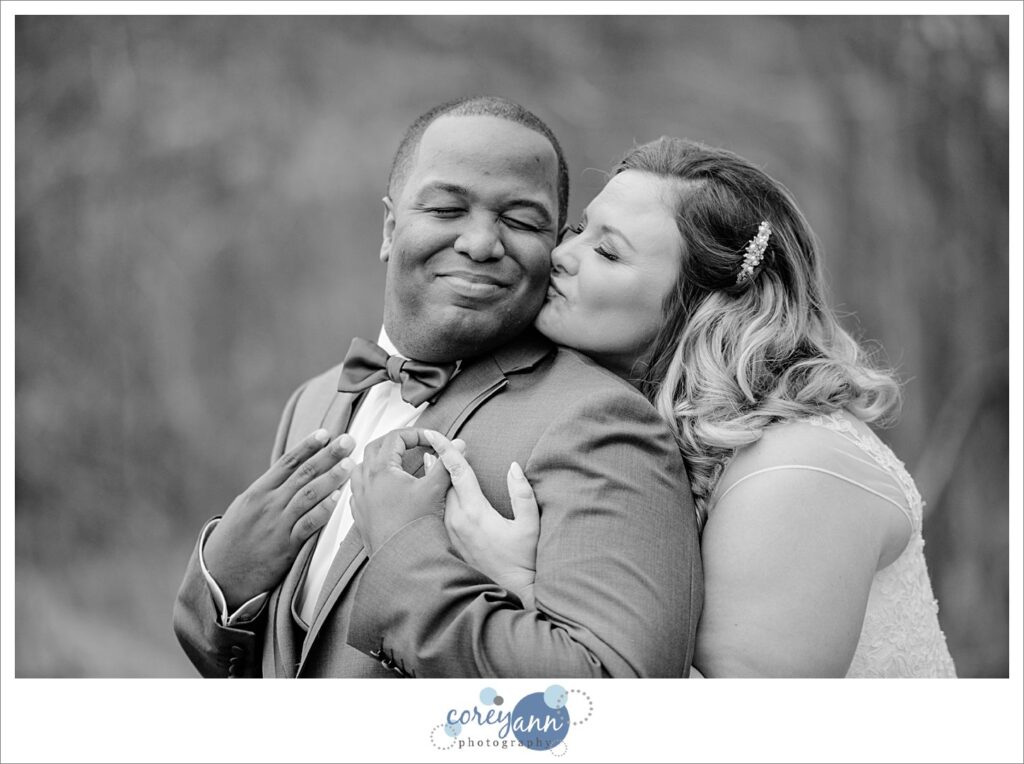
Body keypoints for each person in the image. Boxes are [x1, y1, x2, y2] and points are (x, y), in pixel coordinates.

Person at [172, 97, 703, 678]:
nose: (480, 243)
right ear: (389, 226)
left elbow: (609, 700)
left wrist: (406, 550)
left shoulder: (598, 421)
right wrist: (224, 586)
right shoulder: (313, 403)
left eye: (522, 221)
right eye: (448, 208)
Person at [424, 136, 957, 678]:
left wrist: (524, 586)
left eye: (607, 251)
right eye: (580, 230)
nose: (560, 255)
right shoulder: (636, 425)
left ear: (705, 304)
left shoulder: (796, 470)